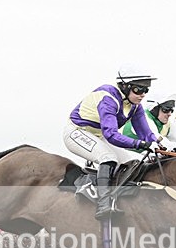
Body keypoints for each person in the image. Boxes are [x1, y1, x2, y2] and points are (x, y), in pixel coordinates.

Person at [63, 64, 162, 220]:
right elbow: (111, 135)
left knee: (133, 162)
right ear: (125, 86)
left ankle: (119, 198)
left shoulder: (135, 107)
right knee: (108, 158)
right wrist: (140, 145)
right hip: (77, 132)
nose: (143, 94)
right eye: (138, 89)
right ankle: (103, 204)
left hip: (98, 136)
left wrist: (157, 145)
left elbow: (145, 133)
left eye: (146, 90)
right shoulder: (108, 98)